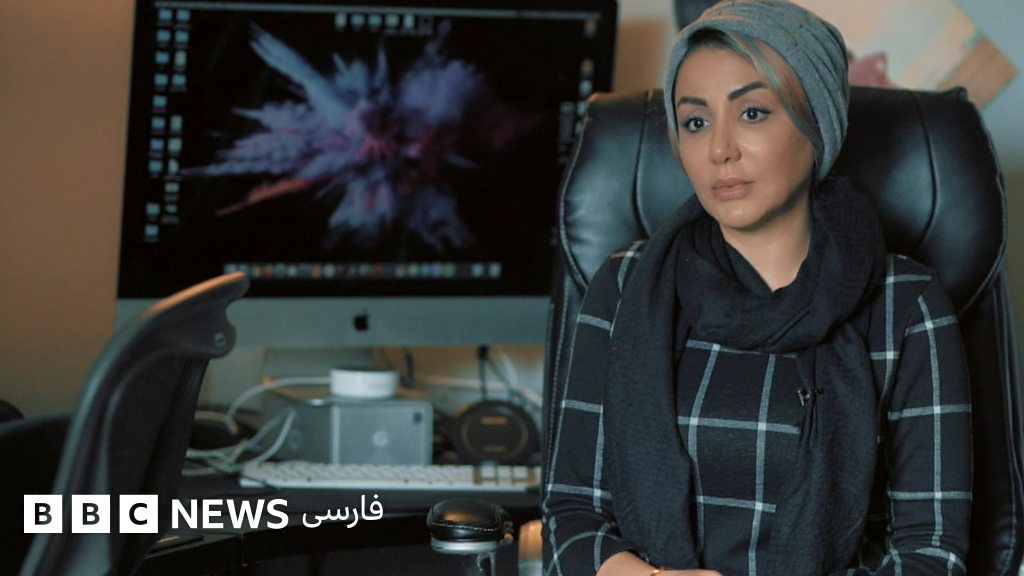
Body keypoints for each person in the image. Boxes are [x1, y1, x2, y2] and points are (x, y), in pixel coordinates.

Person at [541, 1, 972, 575]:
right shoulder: (625, 285)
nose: (720, 149)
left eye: (752, 113)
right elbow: (571, 515)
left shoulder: (906, 304)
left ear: (817, 125)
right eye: (695, 122)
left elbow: (931, 552)